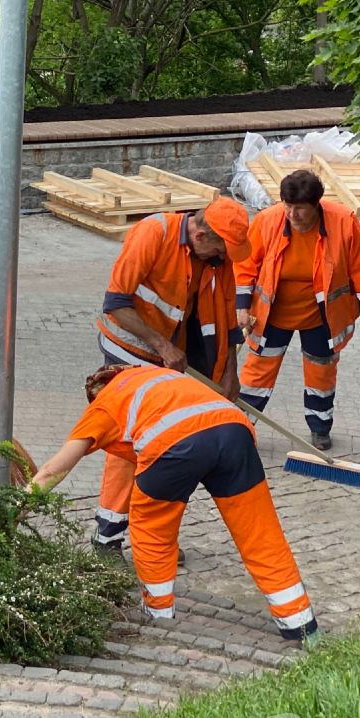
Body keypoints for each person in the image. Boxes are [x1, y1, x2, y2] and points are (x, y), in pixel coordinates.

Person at [31, 363, 319, 642]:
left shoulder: (104, 404)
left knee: (152, 533)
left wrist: (17, 505)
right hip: (234, 433)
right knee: (260, 533)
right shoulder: (157, 379)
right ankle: (301, 625)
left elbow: (53, 470)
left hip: (173, 447)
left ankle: (158, 618)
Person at [92, 197, 250, 558]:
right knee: (130, 443)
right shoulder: (153, 233)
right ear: (201, 234)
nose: (225, 258)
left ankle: (156, 537)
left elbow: (226, 316)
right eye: (223, 248)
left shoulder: (216, 258)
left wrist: (229, 372)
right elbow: (115, 302)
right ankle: (108, 536)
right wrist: (163, 346)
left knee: (173, 445)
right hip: (128, 348)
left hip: (170, 355)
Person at [235, 169, 360, 451]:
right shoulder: (267, 220)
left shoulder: (343, 222)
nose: (292, 214)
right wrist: (242, 306)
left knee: (321, 374)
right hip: (271, 315)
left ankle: (320, 429)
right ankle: (239, 427)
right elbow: (245, 265)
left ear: (317, 205)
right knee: (256, 374)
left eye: (299, 208)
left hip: (322, 317)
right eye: (288, 207)